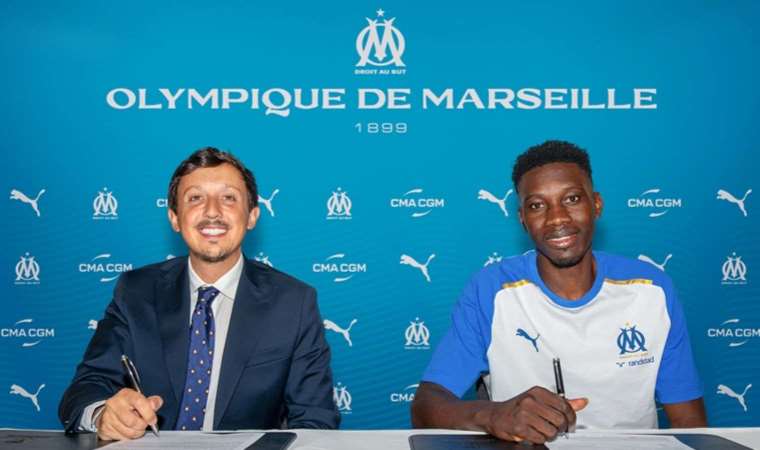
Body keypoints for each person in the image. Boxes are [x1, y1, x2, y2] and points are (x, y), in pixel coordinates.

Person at [411, 140, 706, 443]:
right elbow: (425, 406)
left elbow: (689, 422)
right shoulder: (489, 291)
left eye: (572, 199)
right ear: (523, 219)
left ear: (596, 205)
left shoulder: (652, 290)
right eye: (537, 205)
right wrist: (493, 415)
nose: (557, 219)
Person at [59, 147, 339, 440]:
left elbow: (315, 421)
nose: (212, 211)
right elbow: (85, 388)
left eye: (228, 198)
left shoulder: (293, 302)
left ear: (252, 216)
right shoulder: (136, 292)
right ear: (174, 218)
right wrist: (104, 414)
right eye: (195, 198)